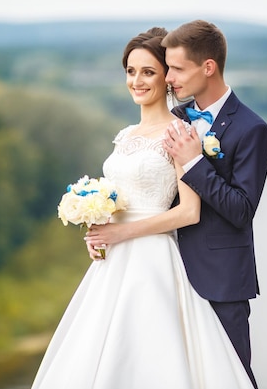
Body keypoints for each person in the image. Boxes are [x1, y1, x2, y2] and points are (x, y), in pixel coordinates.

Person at [31, 27, 255, 388]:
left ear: (167, 77)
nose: (137, 80)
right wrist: (98, 222)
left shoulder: (183, 133)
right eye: (131, 71)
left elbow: (189, 213)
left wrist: (121, 232)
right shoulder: (125, 135)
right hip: (113, 264)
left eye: (148, 72)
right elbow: (124, 198)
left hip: (154, 262)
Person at [86, 20, 267, 388]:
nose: (169, 78)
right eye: (166, 68)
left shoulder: (252, 129)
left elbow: (241, 210)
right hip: (156, 270)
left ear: (208, 67)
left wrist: (196, 162)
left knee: (229, 376)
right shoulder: (175, 120)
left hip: (218, 277)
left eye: (176, 69)